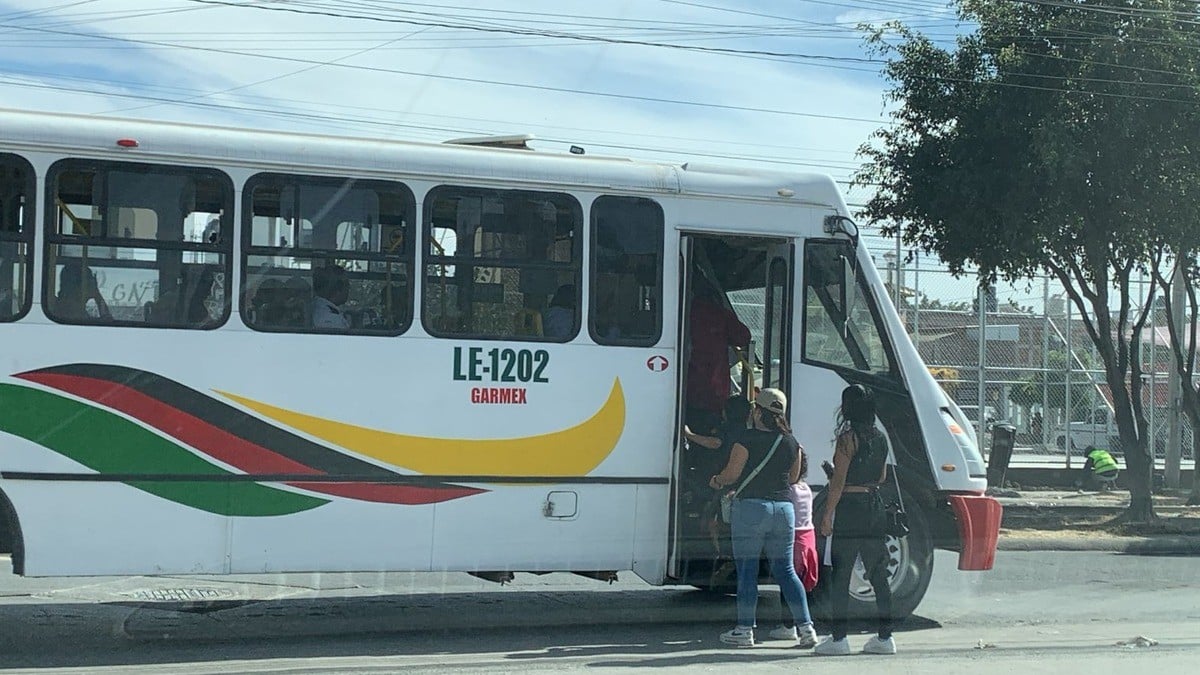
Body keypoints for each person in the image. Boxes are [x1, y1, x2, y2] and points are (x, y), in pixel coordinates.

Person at [709, 388, 816, 649]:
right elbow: (792, 479)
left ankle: (745, 630)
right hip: (784, 510)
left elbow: (732, 474)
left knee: (747, 570)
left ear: (758, 411)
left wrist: (716, 480)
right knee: (787, 571)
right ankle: (806, 628)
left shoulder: (745, 440)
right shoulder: (792, 443)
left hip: (752, 510)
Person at [815, 384, 896, 656]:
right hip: (874, 505)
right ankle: (885, 637)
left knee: (841, 574)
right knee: (878, 573)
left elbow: (838, 484)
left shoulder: (847, 439)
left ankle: (839, 639)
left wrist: (827, 515)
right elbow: (882, 477)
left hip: (851, 507)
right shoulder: (880, 437)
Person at [687, 280, 750, 433]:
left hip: (686, 385)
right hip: (714, 388)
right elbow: (743, 337)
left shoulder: (684, 312)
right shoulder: (720, 314)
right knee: (711, 430)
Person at [768, 449, 819, 640]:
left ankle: (788, 626)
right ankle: (801, 622)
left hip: (794, 538)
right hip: (808, 537)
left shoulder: (789, 491)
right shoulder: (805, 488)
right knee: (803, 584)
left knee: (786, 582)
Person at [311, 265, 349, 329]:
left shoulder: (317, 306)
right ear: (338, 288)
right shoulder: (331, 319)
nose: (348, 290)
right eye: (347, 286)